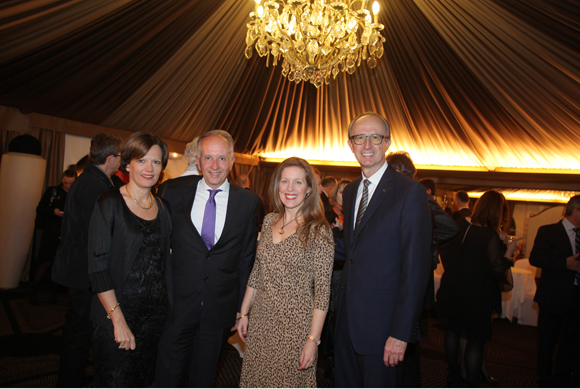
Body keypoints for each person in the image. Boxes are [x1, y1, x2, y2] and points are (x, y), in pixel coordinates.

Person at [334, 112, 432, 387]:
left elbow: (416, 269)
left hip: (384, 330)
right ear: (350, 144)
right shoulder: (352, 191)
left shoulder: (409, 192)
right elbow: (353, 251)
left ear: (387, 142)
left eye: (375, 137)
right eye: (360, 138)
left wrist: (401, 333)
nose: (367, 145)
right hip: (346, 326)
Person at [155, 130, 260, 387]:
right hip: (177, 306)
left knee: (203, 377)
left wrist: (242, 308)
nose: (215, 166)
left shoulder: (249, 202)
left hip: (219, 310)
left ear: (232, 161)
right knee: (169, 375)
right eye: (208, 158)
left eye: (222, 158)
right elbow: (159, 248)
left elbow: (247, 258)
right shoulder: (171, 192)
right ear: (198, 161)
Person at [237, 157, 334, 387]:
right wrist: (243, 313)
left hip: (295, 330)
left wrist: (313, 340)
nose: (290, 189)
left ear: (309, 188)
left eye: (298, 182)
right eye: (285, 181)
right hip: (261, 323)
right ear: (277, 185)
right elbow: (258, 271)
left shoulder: (319, 231)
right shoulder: (270, 220)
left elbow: (322, 293)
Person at [87, 131, 171, 387]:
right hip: (117, 317)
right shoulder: (109, 202)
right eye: (142, 160)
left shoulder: (162, 207)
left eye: (156, 162)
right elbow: (97, 268)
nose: (149, 168)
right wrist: (119, 321)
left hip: (153, 321)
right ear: (127, 163)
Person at [52, 133, 122, 387]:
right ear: (112, 158)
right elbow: (100, 233)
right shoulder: (96, 185)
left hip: (77, 268)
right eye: (120, 157)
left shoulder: (89, 179)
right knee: (80, 332)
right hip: (83, 271)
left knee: (77, 329)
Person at [436, 190, 519, 387]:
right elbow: (498, 268)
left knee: (453, 330)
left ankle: (453, 373)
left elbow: (445, 250)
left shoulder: (460, 225)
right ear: (496, 212)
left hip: (452, 287)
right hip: (476, 294)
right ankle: (472, 380)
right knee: (475, 339)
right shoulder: (489, 235)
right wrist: (509, 250)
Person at [529, 195, 580, 387]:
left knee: (571, 341)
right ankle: (545, 378)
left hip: (576, 298)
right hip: (553, 297)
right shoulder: (549, 231)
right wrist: (564, 264)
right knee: (547, 341)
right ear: (576, 212)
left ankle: (564, 377)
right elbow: (536, 259)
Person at [30, 167, 77, 304]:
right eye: (65, 183)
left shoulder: (76, 194)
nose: (67, 186)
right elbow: (40, 209)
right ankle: (33, 291)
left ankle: (53, 295)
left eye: (70, 183)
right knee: (45, 262)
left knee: (61, 265)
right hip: (51, 232)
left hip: (67, 233)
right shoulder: (53, 191)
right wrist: (53, 211)